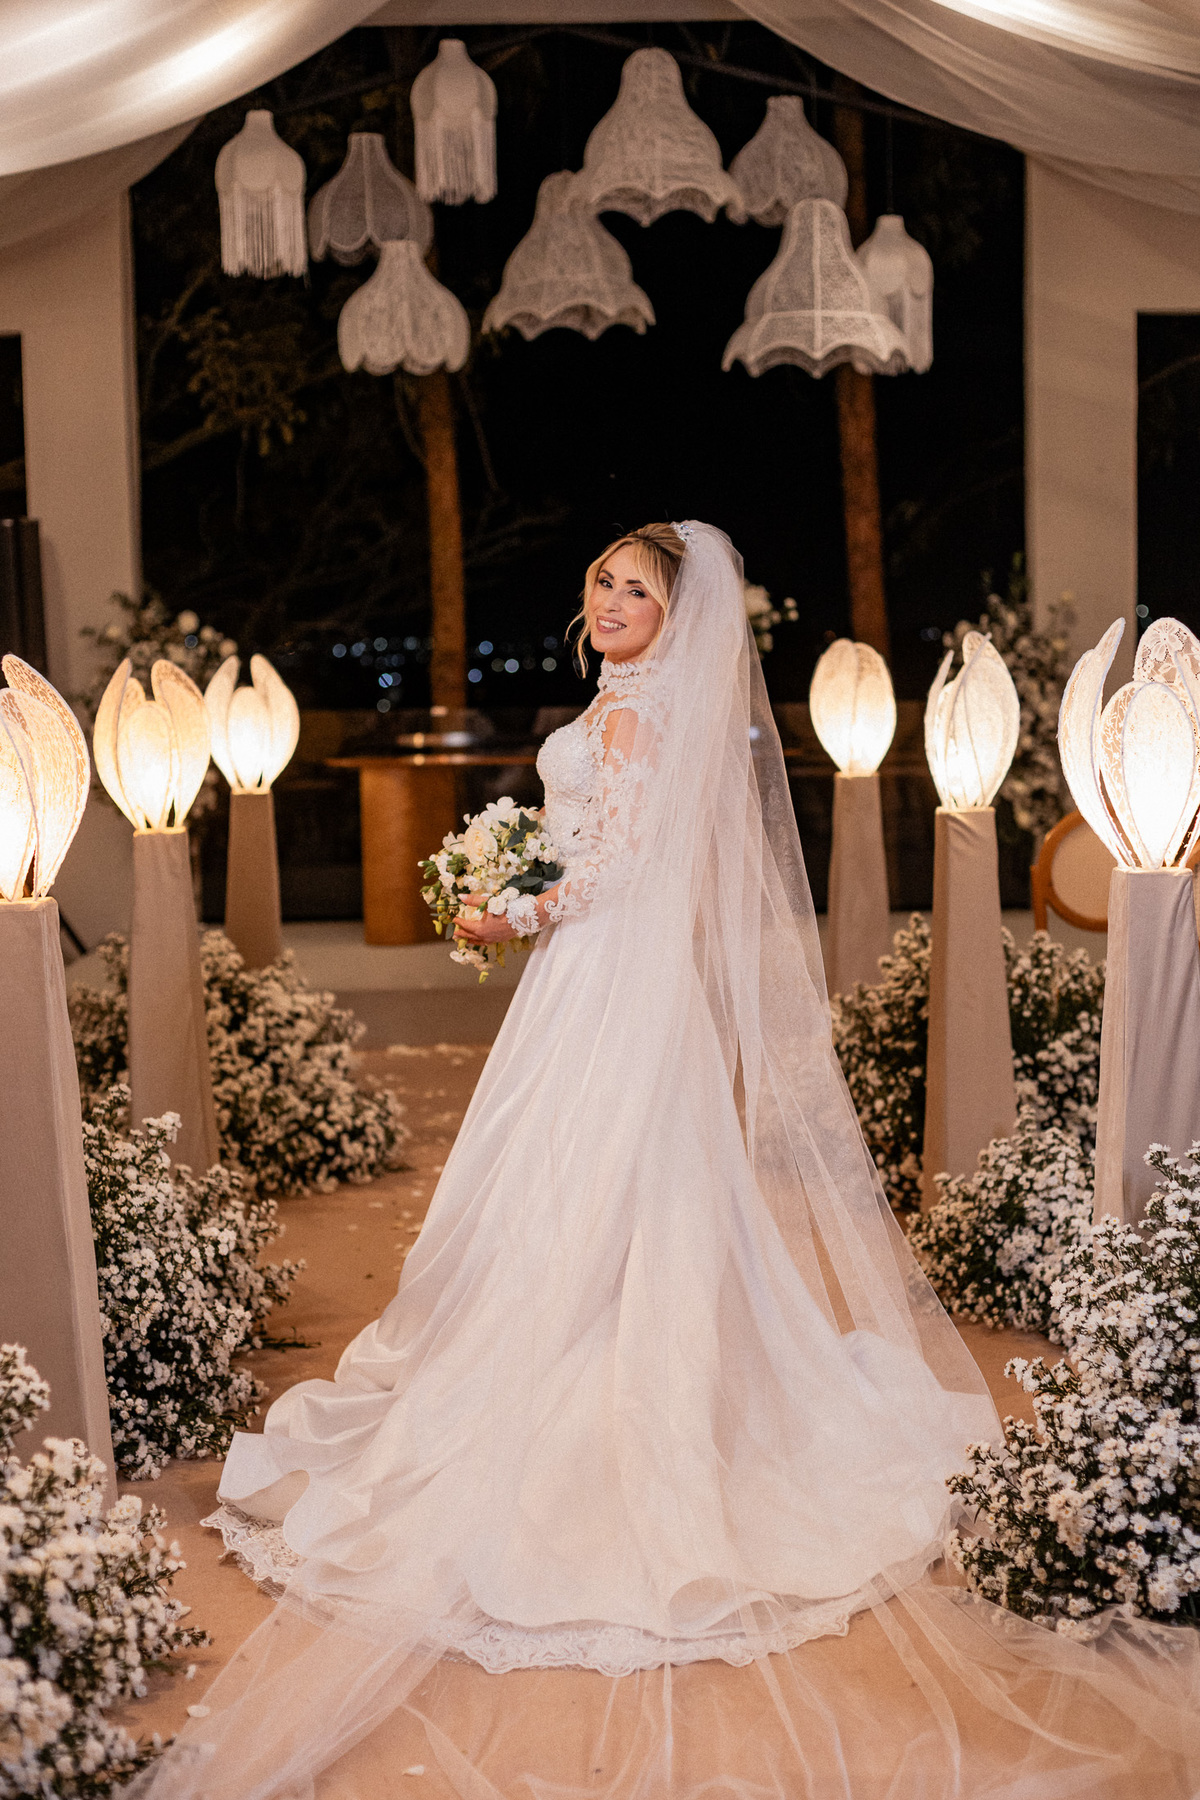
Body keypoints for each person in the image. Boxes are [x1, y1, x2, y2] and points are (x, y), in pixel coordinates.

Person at [130, 524, 1200, 1800]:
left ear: (673, 615)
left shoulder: (635, 715)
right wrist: (519, 883)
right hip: (598, 981)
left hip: (608, 980)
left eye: (636, 589)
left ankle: (612, 1392)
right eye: (603, 581)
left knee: (603, 1177)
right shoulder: (620, 702)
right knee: (590, 1179)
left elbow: (621, 863)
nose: (612, 599)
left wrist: (507, 906)